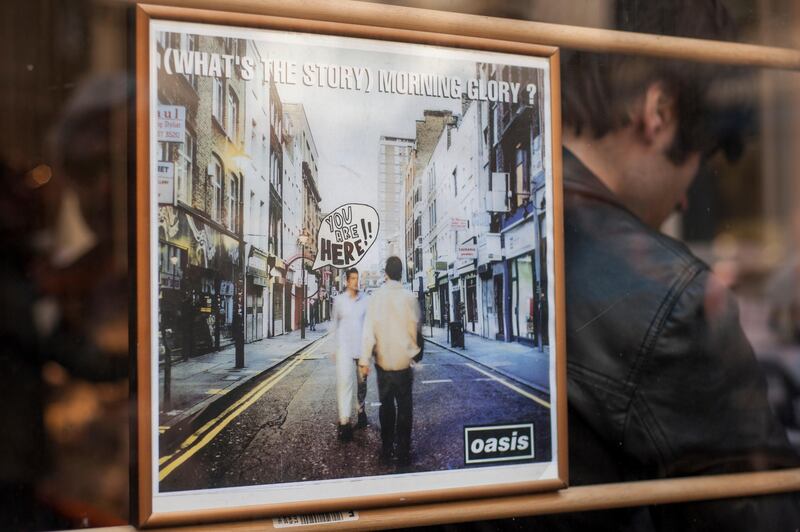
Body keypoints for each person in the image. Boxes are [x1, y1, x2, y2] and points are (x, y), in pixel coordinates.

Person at [524, 1, 800, 529]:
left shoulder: (537, 215)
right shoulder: (676, 304)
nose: (681, 201)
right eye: (697, 162)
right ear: (659, 111)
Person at [359, 257, 420, 466]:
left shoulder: (375, 297)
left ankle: (386, 449)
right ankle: (403, 451)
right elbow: (414, 329)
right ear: (401, 273)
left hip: (383, 362)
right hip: (403, 363)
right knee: (405, 408)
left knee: (386, 407)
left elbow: (368, 331)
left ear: (385, 273)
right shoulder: (409, 297)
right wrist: (414, 352)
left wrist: (364, 360)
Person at [331, 268, 368, 441]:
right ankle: (344, 422)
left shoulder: (365, 300)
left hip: (361, 349)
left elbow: (369, 326)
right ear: (346, 281)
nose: (355, 281)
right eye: (352, 278)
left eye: (357, 278)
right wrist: (333, 347)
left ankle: (361, 410)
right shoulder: (339, 301)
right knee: (345, 384)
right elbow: (334, 325)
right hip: (344, 348)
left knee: (362, 384)